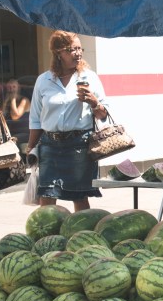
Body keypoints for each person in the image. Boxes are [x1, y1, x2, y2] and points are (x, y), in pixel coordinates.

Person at [25, 30, 109, 212]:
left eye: (80, 49)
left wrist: (94, 102)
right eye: (72, 49)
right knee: (47, 197)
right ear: (58, 53)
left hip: (79, 145)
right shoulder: (44, 80)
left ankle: (82, 237)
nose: (78, 53)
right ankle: (47, 238)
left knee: (79, 196)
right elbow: (36, 119)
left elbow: (104, 114)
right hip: (50, 145)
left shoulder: (89, 77)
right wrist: (31, 147)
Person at [1, 78, 31, 145]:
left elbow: (15, 116)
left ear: (18, 88)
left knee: (12, 141)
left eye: (14, 87)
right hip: (11, 130)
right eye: (9, 87)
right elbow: (1, 115)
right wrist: (6, 102)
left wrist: (13, 99)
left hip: (24, 132)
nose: (11, 89)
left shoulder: (24, 100)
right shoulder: (6, 100)